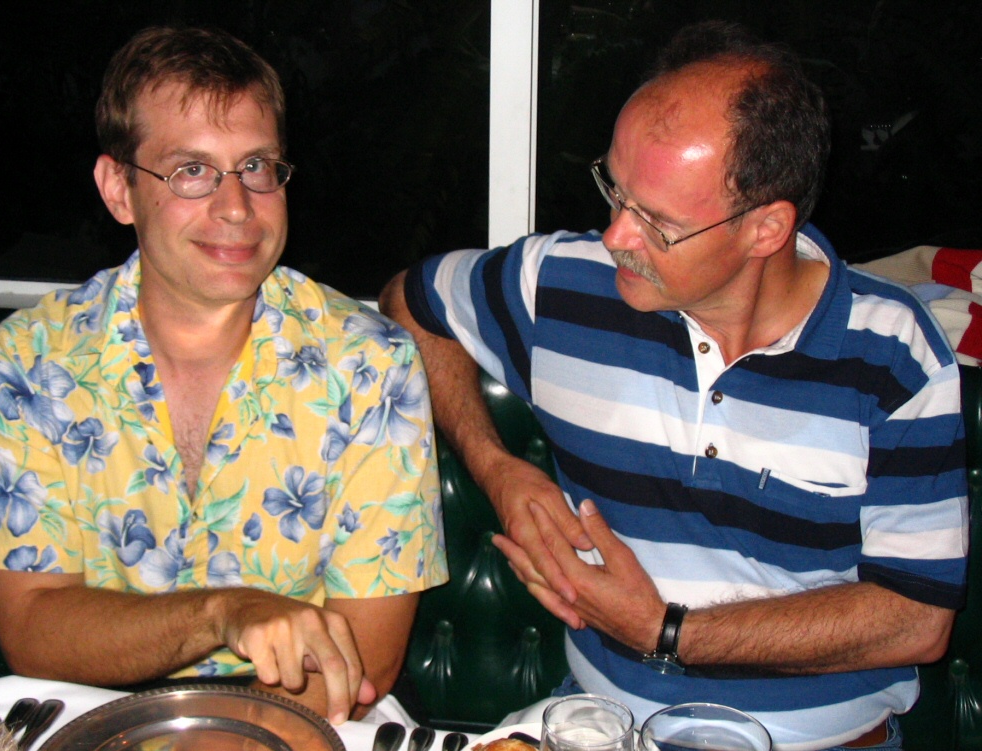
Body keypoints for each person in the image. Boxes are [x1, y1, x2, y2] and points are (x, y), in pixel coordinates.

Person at [380, 20, 967, 750]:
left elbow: (916, 619)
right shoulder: (561, 285)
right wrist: (496, 467)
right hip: (602, 729)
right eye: (615, 190)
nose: (615, 237)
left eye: (656, 222)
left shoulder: (894, 355)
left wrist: (664, 631)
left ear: (766, 229)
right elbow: (409, 302)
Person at [0, 25, 447, 725]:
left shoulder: (370, 365)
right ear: (119, 189)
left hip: (302, 719)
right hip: (95, 716)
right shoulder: (30, 363)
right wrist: (222, 612)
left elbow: (363, 662)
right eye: (192, 170)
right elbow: (33, 628)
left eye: (256, 166)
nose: (237, 206)